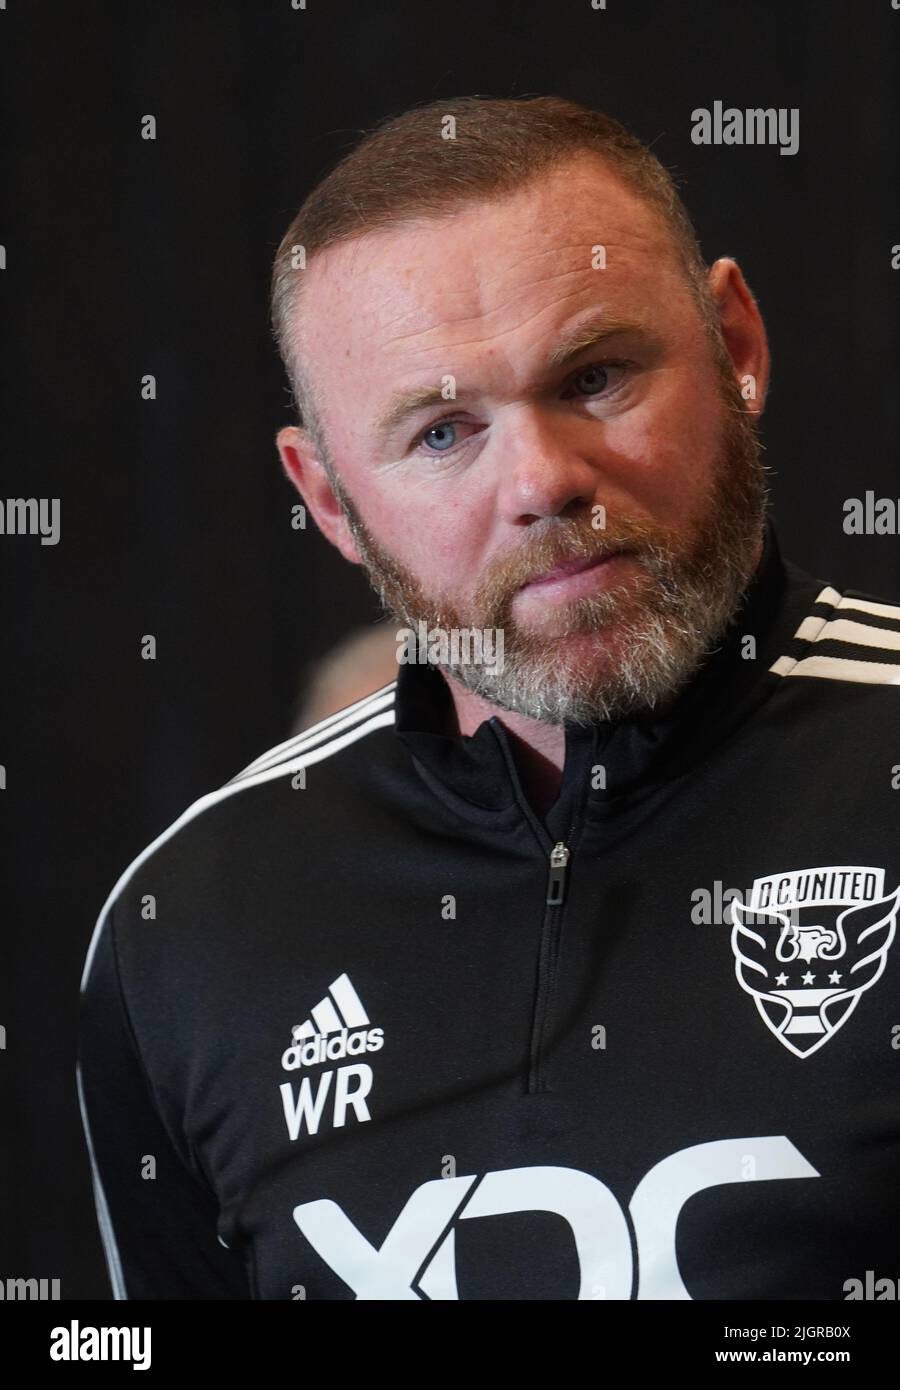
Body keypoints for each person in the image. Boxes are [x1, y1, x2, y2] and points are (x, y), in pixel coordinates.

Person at [78, 95, 900, 1301]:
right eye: (445, 430)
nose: (544, 481)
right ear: (328, 498)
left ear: (736, 343)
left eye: (598, 375)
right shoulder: (184, 928)